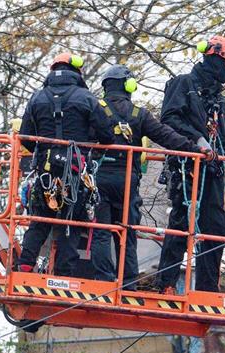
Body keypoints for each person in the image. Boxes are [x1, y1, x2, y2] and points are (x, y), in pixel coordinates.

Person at [89, 64, 209, 290]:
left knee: (102, 231)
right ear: (129, 86)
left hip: (101, 179)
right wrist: (194, 149)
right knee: (128, 233)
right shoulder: (139, 115)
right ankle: (129, 283)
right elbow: (166, 135)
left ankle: (103, 280)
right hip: (127, 182)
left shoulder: (96, 109)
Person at [155, 35, 225, 293]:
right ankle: (166, 283)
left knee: (217, 228)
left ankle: (207, 290)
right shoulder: (183, 84)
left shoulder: (217, 99)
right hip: (188, 166)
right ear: (214, 61)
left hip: (213, 171)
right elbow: (169, 119)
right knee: (181, 223)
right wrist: (197, 140)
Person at [16, 53, 114, 276]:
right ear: (77, 72)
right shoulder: (87, 98)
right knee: (71, 221)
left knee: (40, 220)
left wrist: (41, 154)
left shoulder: (36, 98)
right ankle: (62, 274)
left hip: (45, 171)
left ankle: (24, 266)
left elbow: (25, 136)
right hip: (75, 172)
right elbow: (107, 135)